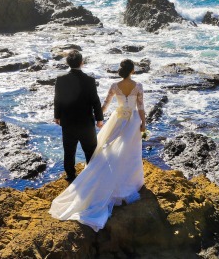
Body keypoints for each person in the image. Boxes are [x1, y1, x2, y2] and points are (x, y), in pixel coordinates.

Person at [49, 58, 146, 231]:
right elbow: (140, 107)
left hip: (117, 119)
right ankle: (131, 179)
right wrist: (143, 124)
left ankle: (77, 174)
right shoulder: (138, 86)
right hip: (132, 121)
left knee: (106, 148)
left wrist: (98, 118)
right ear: (132, 71)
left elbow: (105, 104)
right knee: (130, 152)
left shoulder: (115, 86)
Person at [53, 49, 104, 183]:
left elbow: (57, 99)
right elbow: (95, 101)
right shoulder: (89, 80)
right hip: (86, 122)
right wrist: (99, 119)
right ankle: (93, 174)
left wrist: (56, 116)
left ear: (68, 63)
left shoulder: (61, 79)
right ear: (82, 63)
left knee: (69, 151)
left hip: (68, 121)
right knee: (91, 150)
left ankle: (70, 176)